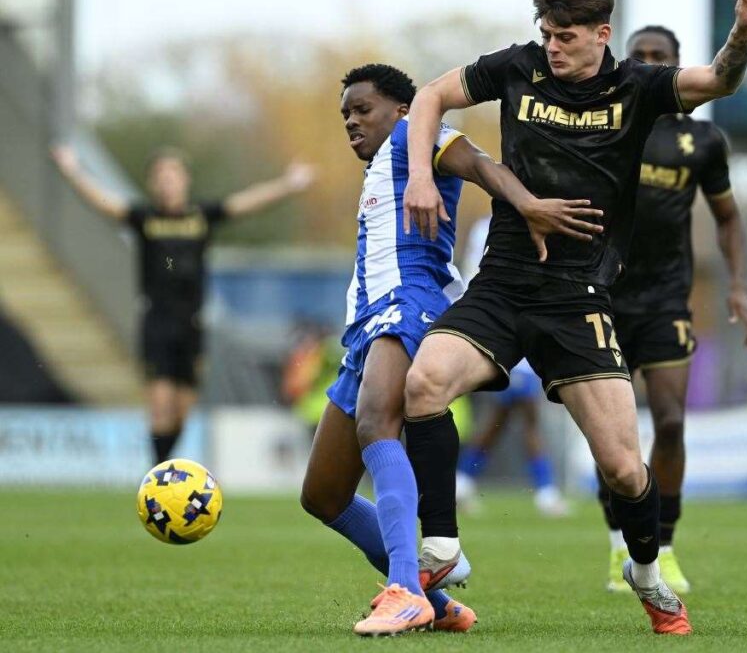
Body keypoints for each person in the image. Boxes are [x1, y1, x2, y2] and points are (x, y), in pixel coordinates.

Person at [400, 0, 747, 635]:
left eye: (566, 37)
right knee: (425, 382)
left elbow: (718, 80)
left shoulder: (638, 85)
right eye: (546, 34)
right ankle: (441, 547)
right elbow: (430, 95)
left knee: (625, 470)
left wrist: (743, 32)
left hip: (578, 298)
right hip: (505, 281)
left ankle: (646, 573)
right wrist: (422, 179)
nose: (551, 47)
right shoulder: (518, 68)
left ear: (602, 35)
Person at [297, 64, 603, 636]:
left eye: (362, 109)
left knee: (375, 424)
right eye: (345, 114)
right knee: (323, 494)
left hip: (410, 303)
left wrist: (529, 204)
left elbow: (482, 166)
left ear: (402, 110)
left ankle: (408, 590)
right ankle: (437, 604)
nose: (351, 121)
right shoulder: (383, 169)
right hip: (367, 321)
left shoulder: (422, 138)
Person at [598, 25, 747, 597]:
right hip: (601, 295)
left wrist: (738, 285)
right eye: (637, 57)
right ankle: (619, 541)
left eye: (657, 58)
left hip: (666, 299)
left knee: (669, 420)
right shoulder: (604, 127)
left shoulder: (704, 141)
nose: (646, 65)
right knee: (609, 431)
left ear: (675, 66)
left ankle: (662, 547)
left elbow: (728, 217)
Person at [51, 144, 313, 464]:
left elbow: (246, 202)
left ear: (184, 179)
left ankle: (163, 471)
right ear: (152, 183)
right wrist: (73, 170)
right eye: (160, 175)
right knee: (161, 408)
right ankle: (157, 477)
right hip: (157, 323)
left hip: (191, 326)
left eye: (173, 174)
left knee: (181, 414)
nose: (167, 180)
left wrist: (288, 185)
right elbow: (104, 203)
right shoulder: (145, 218)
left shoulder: (199, 217)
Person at [455, 216, 570, 517]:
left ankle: (463, 482)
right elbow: (477, 275)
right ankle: (545, 492)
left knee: (501, 417)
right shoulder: (492, 226)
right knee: (525, 414)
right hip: (505, 327)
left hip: (522, 327)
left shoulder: (509, 220)